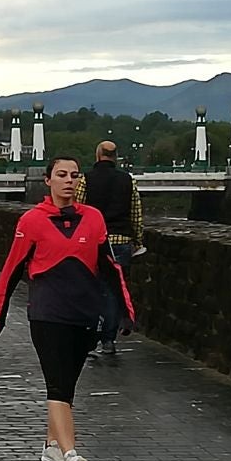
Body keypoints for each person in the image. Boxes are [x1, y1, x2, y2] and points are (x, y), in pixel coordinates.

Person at [0, 156, 134, 461]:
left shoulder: (94, 219)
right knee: (58, 385)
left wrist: (125, 311)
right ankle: (71, 456)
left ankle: (52, 445)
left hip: (83, 315)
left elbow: (111, 269)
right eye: (61, 175)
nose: (68, 180)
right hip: (46, 315)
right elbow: (12, 268)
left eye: (74, 175)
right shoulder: (31, 221)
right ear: (48, 180)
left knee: (66, 385)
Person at [75, 140, 143, 355]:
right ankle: (108, 340)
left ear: (98, 155)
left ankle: (91, 336)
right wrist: (138, 241)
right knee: (114, 291)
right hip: (121, 241)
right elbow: (136, 214)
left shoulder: (86, 180)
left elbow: (78, 209)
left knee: (92, 288)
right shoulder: (127, 180)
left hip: (95, 241)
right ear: (115, 156)